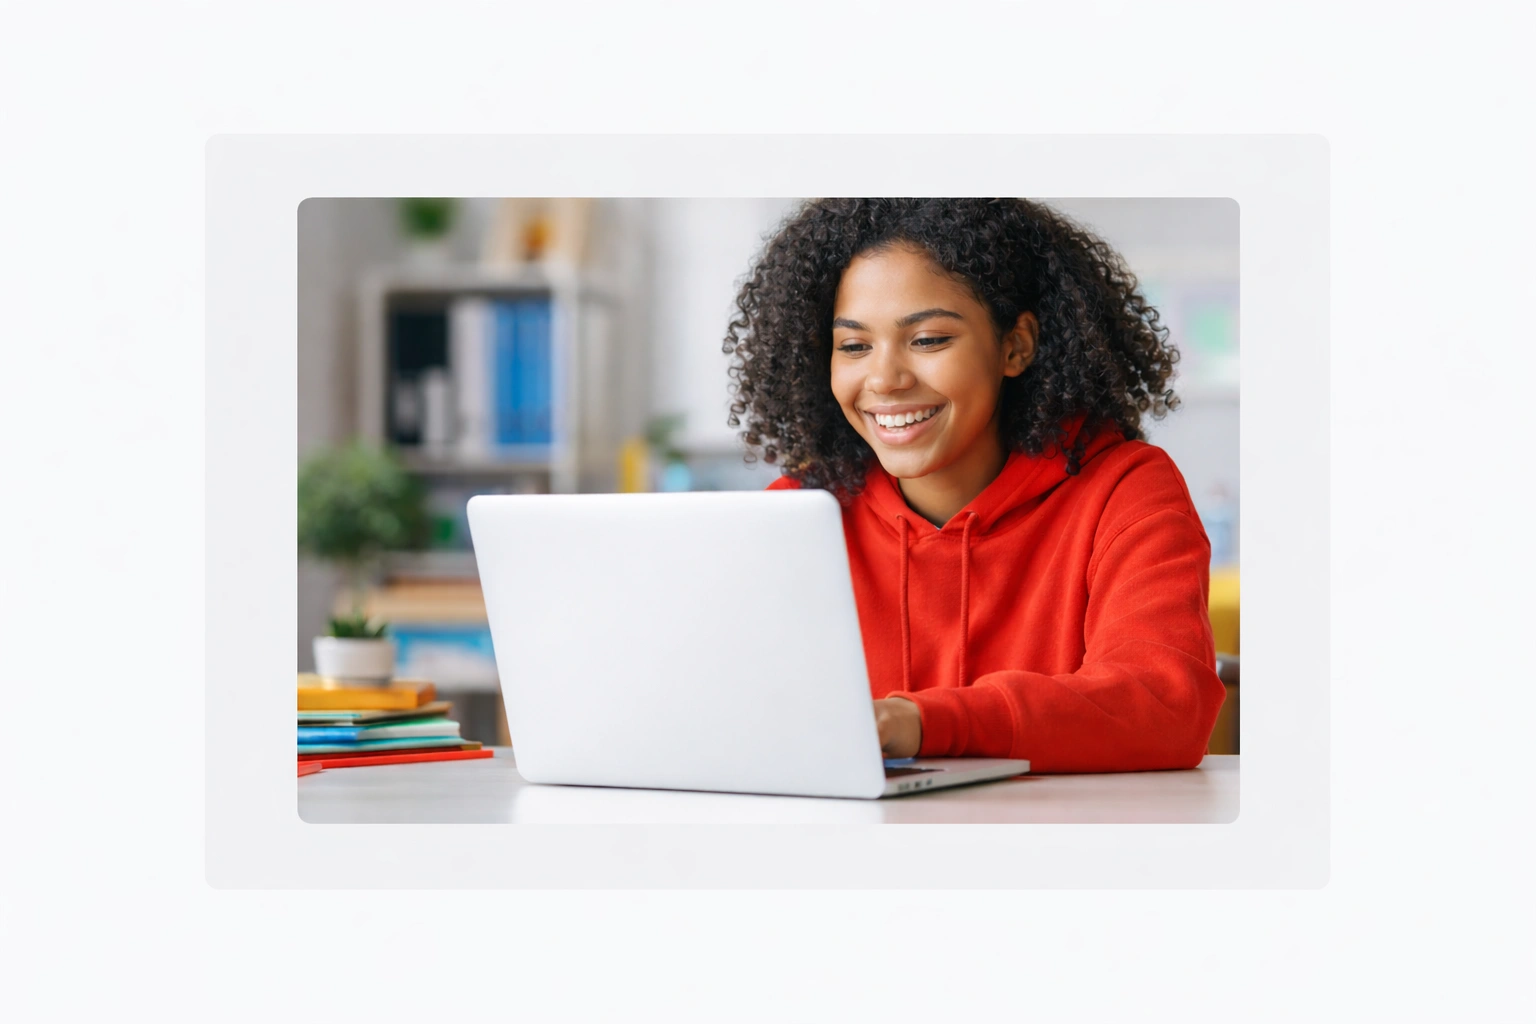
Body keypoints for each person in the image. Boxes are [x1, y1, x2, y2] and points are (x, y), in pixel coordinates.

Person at [722, 198, 1225, 773]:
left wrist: (918, 724)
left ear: (1015, 346)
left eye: (929, 339)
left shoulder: (1124, 490)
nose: (885, 378)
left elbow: (1165, 707)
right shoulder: (797, 516)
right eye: (855, 346)